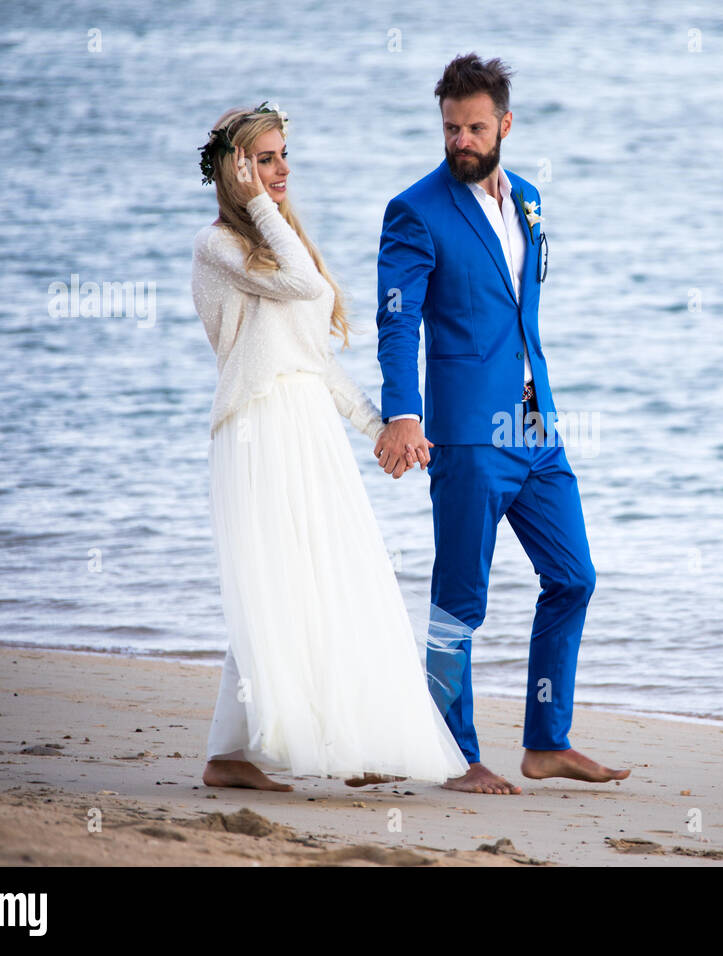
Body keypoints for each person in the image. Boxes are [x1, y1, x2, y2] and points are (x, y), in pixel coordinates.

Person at [191, 102, 468, 791]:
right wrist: (261, 209)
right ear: (236, 170)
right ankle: (246, 751)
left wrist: (382, 431)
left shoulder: (282, 240)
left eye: (283, 156)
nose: (280, 170)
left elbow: (315, 360)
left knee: (322, 577)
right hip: (259, 426)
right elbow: (305, 286)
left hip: (306, 425)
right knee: (278, 584)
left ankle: (249, 751)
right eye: (263, 159)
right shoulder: (220, 245)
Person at [373, 55, 630, 794]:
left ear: (505, 126)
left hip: (534, 430)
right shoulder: (414, 211)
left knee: (574, 576)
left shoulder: (530, 200)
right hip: (465, 435)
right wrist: (403, 413)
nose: (461, 140)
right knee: (460, 602)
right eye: (451, 127)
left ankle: (546, 741)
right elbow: (399, 323)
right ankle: (454, 756)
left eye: (476, 128)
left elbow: (521, 309)